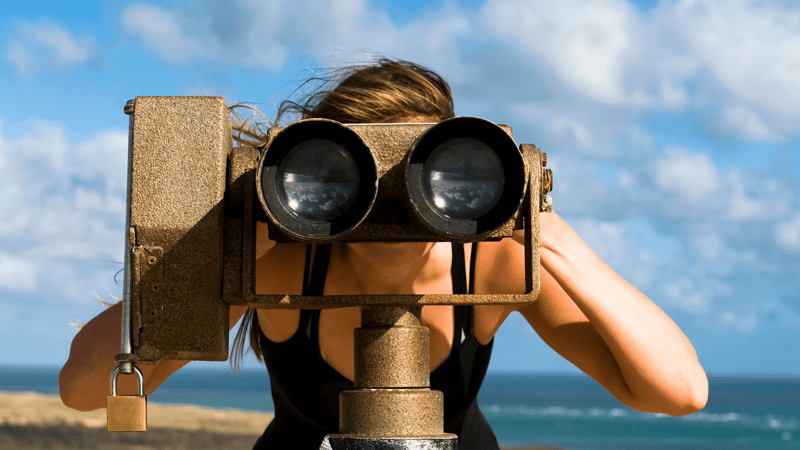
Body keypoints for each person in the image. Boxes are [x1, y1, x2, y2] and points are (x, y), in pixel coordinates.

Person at [59, 58, 708, 449]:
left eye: (435, 179)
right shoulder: (280, 262)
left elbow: (679, 393)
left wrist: (541, 224)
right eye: (353, 179)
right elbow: (86, 390)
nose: (396, 210)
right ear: (312, 184)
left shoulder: (488, 263)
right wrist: (223, 250)